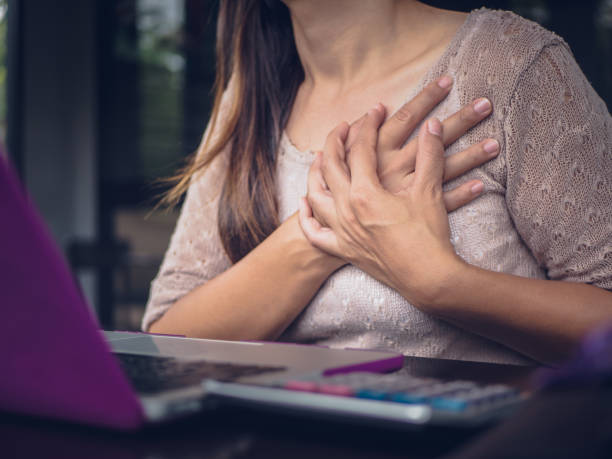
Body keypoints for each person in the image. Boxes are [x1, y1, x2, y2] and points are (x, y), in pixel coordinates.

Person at [142, 0, 612, 366]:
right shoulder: (247, 102)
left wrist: (441, 285)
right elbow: (165, 342)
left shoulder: (511, 63)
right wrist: (322, 232)